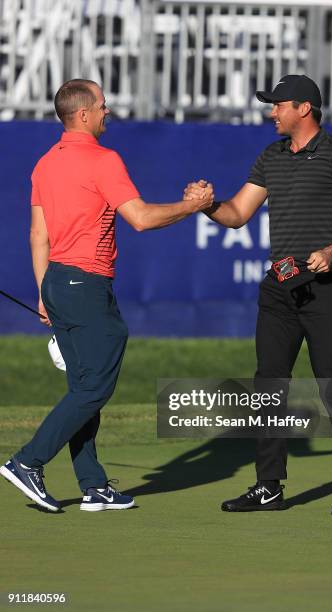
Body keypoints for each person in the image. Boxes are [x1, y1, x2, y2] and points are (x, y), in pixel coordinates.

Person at [0, 79, 213, 513]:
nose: (107, 110)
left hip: (57, 281)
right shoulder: (102, 159)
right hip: (85, 283)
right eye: (101, 105)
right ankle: (28, 462)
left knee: (83, 385)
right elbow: (140, 218)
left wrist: (44, 291)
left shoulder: (44, 164)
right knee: (95, 386)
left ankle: (93, 485)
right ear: (83, 114)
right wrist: (190, 207)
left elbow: (38, 235)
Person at [184, 75, 332, 517]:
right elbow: (238, 214)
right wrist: (206, 205)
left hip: (327, 288)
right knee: (268, 386)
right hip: (279, 288)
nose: (271, 112)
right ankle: (268, 485)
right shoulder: (271, 157)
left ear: (304, 109)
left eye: (278, 105)